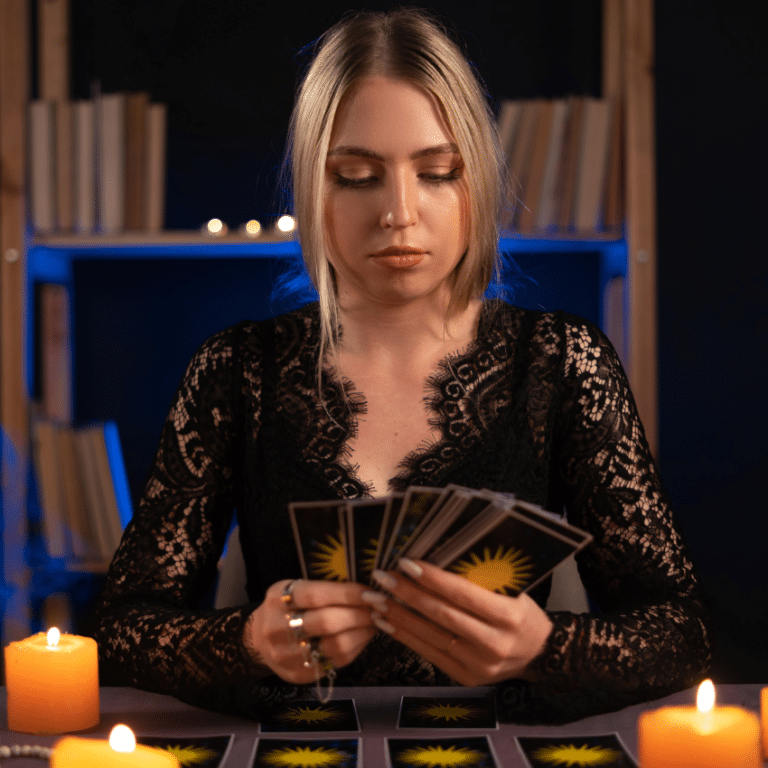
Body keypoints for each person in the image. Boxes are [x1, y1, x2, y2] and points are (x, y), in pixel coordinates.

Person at [93, 8, 712, 723]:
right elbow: (122, 626)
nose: (399, 212)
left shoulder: (563, 362)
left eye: (438, 172)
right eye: (357, 176)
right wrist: (249, 642)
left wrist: (547, 648)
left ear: (475, 181)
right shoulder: (237, 370)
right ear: (311, 189)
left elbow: (682, 630)